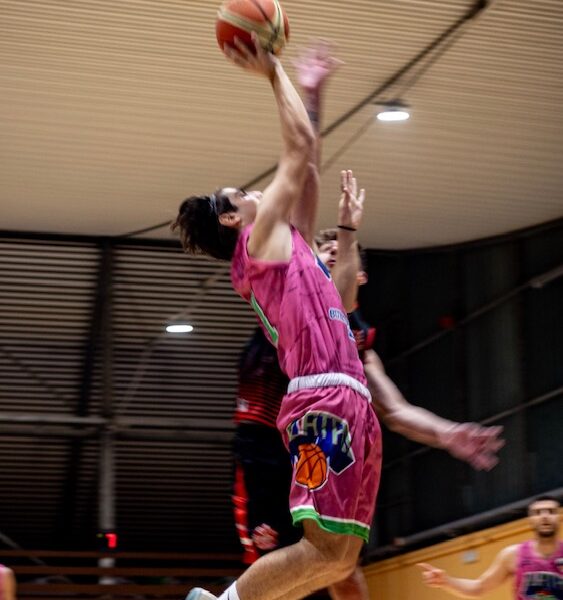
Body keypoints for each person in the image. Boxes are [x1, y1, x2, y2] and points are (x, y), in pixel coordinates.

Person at [174, 33, 380, 600]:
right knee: (320, 549)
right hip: (323, 396)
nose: (255, 192)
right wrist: (273, 71)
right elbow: (296, 151)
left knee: (339, 561)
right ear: (233, 220)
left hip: (348, 396)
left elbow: (307, 167)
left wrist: (311, 94)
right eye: (243, 193)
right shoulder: (259, 241)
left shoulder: (287, 242)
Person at [417, 495, 562, 599]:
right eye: (538, 512)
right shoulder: (512, 555)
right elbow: (479, 587)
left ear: (559, 516)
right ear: (530, 520)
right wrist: (447, 582)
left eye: (551, 511)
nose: (544, 516)